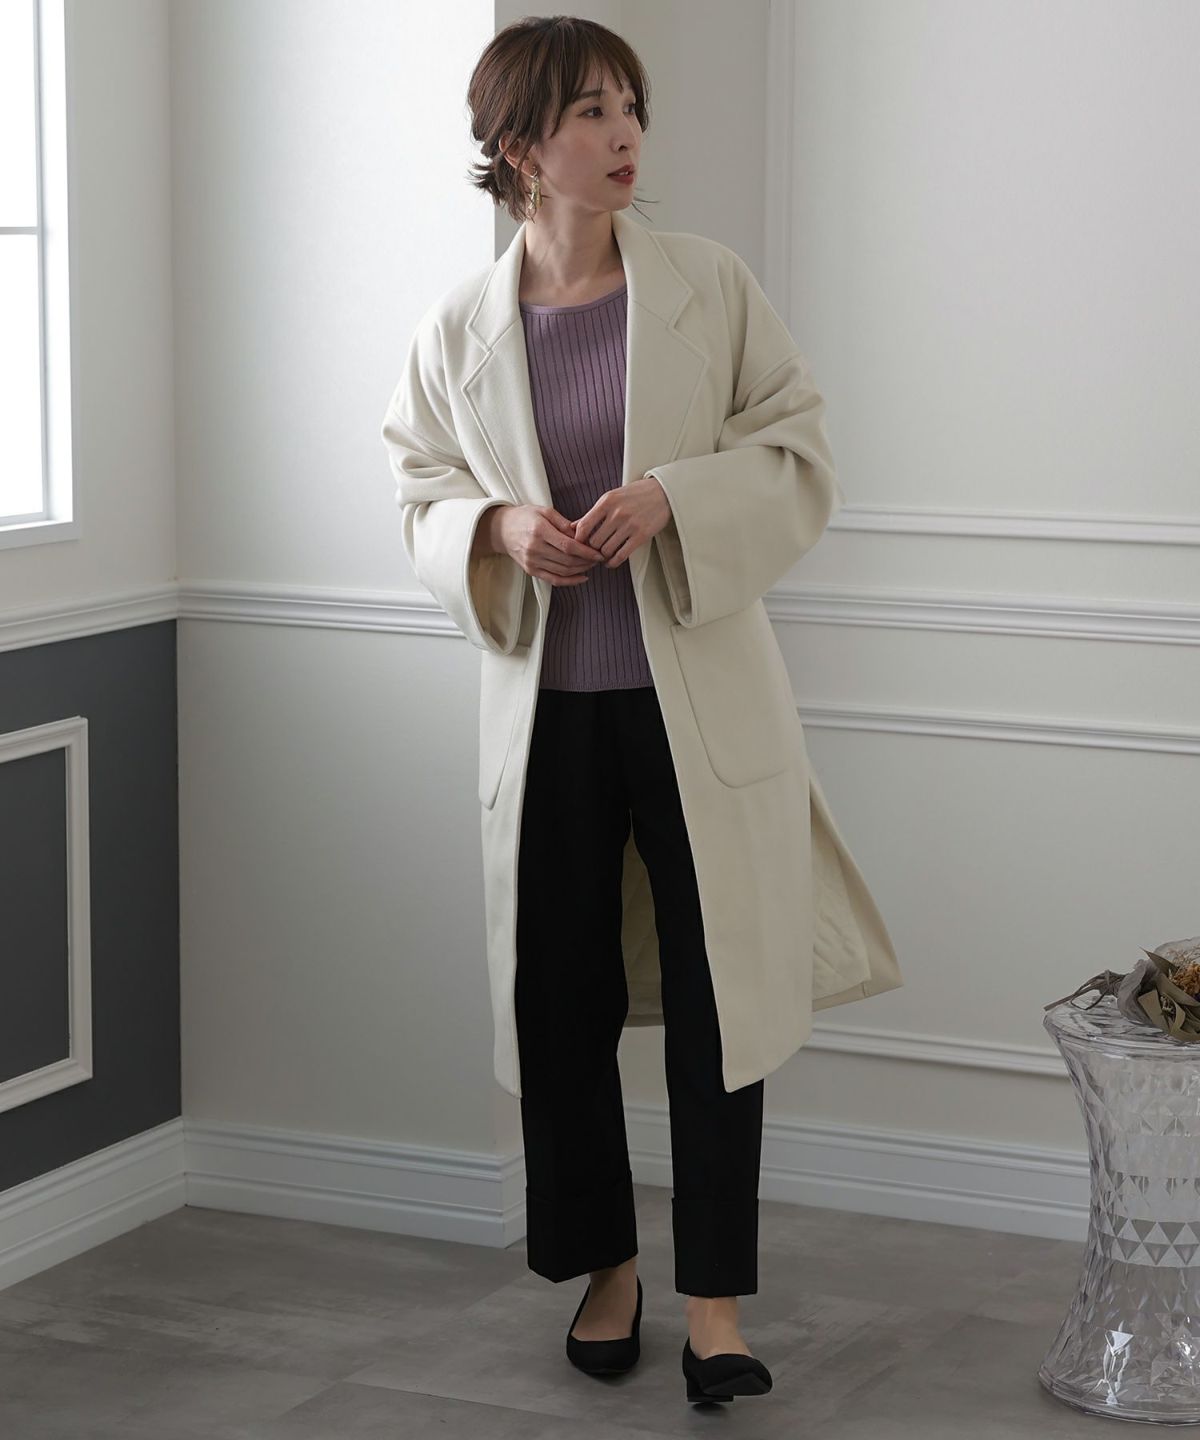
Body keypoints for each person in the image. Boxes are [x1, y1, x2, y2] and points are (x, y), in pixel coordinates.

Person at [380, 13, 892, 1406]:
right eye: (591, 114)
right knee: (560, 1000)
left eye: (631, 108)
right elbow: (418, 492)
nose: (625, 138)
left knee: (726, 1001)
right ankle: (605, 1270)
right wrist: (496, 526)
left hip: (697, 711)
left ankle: (714, 1304)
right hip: (545, 712)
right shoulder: (456, 329)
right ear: (517, 147)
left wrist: (676, 497)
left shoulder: (708, 286)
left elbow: (799, 448)